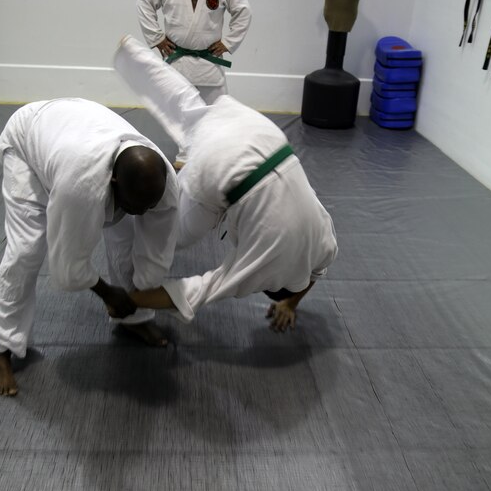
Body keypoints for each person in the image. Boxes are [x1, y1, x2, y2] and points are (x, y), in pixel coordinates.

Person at [114, 36, 338, 331]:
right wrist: (131, 299)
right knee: (169, 233)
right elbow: (199, 291)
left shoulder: (325, 243)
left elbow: (313, 275)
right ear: (273, 284)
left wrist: (291, 303)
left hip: (256, 130)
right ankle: (135, 293)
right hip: (220, 168)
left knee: (189, 109)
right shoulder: (262, 270)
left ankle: (131, 53)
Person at [0, 98, 179, 397]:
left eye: (149, 204)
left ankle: (132, 319)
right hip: (28, 140)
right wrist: (108, 292)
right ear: (113, 182)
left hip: (73, 126)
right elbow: (66, 267)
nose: (142, 212)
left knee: (128, 237)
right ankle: (2, 350)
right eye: (134, 203)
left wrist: (143, 294)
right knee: (25, 250)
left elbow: (157, 246)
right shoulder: (81, 187)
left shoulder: (163, 183)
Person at [136, 0, 252, 168]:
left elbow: (243, 11)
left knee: (218, 114)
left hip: (209, 60)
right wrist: (156, 37)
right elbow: (144, 2)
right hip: (178, 58)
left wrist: (228, 42)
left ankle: (216, 156)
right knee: (183, 114)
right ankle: (186, 155)